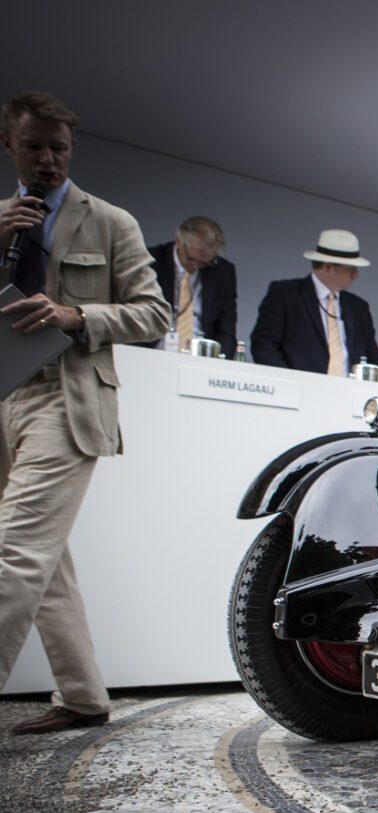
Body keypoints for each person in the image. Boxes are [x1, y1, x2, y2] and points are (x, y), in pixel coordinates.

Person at [0, 91, 169, 734]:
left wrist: (78, 317)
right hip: (4, 400)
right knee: (45, 557)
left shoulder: (110, 222)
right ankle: (84, 695)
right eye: (35, 146)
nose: (48, 160)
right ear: (10, 146)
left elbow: (152, 313)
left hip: (65, 400)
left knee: (14, 552)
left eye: (59, 148)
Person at [250, 229, 378, 374]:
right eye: (350, 269)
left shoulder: (358, 308)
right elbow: (264, 344)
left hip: (348, 393)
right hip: (297, 391)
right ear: (328, 267)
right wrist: (288, 382)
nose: (356, 275)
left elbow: (373, 359)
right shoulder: (286, 294)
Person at [143, 215, 237, 358]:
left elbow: (226, 330)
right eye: (191, 260)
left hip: (201, 358)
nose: (196, 266)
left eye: (205, 263)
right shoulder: (150, 262)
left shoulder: (223, 272)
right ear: (178, 241)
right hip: (149, 352)